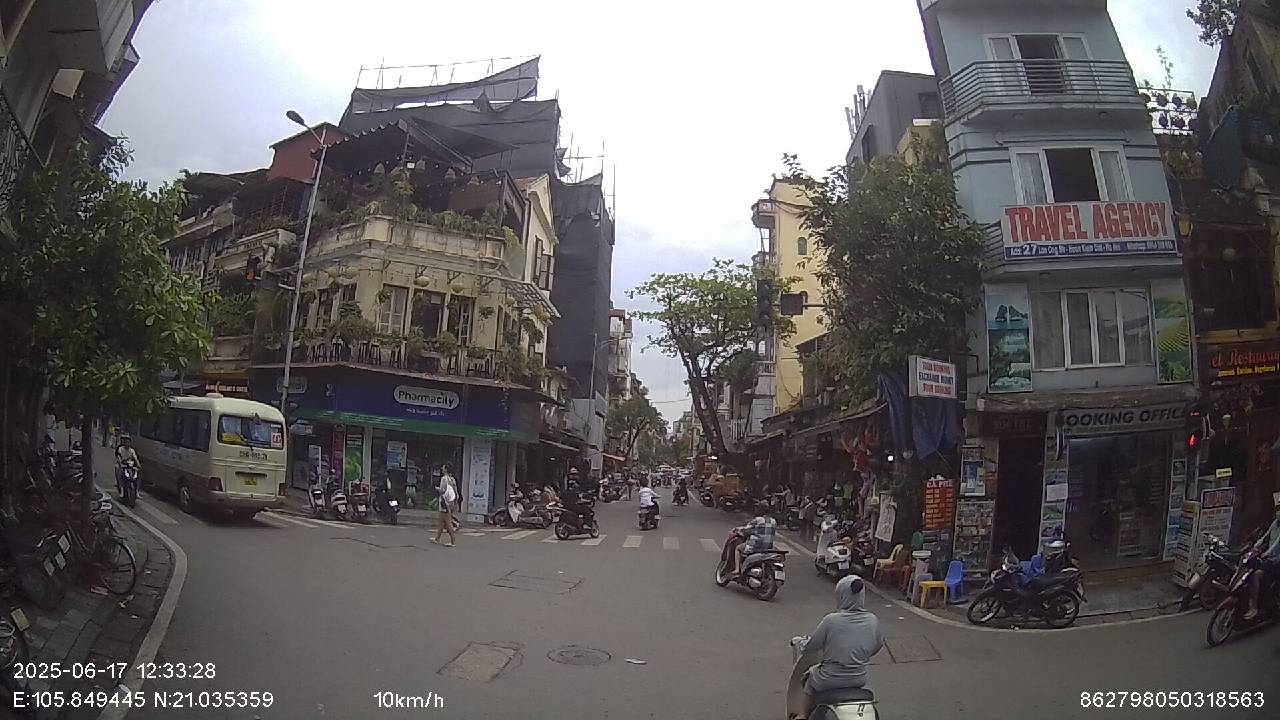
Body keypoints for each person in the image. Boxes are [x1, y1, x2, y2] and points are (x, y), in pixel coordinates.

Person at [794, 575, 884, 720]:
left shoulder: (831, 620)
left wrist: (800, 642)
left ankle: (802, 714)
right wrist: (862, 656)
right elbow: (878, 645)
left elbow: (811, 647)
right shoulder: (872, 620)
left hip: (829, 679)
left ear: (841, 595)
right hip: (859, 678)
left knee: (809, 678)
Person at [1244, 503, 1280, 619]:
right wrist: (1255, 547)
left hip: (1276, 559)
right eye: (1277, 510)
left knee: (1256, 575)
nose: (1278, 513)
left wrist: (1266, 554)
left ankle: (1253, 607)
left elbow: (1276, 544)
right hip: (1269, 557)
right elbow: (1265, 537)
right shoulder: (1275, 523)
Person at [731, 502, 777, 576]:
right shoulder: (773, 521)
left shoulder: (757, 520)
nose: (755, 510)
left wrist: (736, 530)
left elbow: (745, 529)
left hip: (755, 546)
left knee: (738, 548)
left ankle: (737, 569)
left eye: (757, 508)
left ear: (760, 510)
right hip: (768, 548)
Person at [433, 463, 459, 547]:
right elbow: (455, 491)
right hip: (450, 501)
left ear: (446, 469)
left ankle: (452, 541)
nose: (442, 468)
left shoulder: (444, 479)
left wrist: (437, 489)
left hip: (444, 502)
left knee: (447, 522)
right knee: (441, 521)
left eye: (443, 467)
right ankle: (437, 538)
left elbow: (442, 490)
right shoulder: (452, 479)